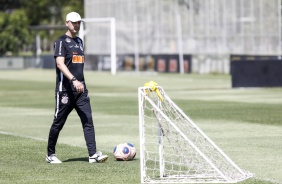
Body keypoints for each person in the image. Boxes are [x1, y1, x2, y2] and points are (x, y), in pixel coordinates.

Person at [46, 12, 108, 164]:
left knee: (88, 121)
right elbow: (60, 64)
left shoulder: (80, 41)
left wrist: (81, 83)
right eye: (74, 22)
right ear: (67, 22)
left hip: (81, 90)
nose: (76, 25)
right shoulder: (61, 41)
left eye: (78, 22)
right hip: (65, 91)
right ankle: (50, 154)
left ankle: (93, 154)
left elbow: (78, 67)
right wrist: (73, 80)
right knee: (58, 122)